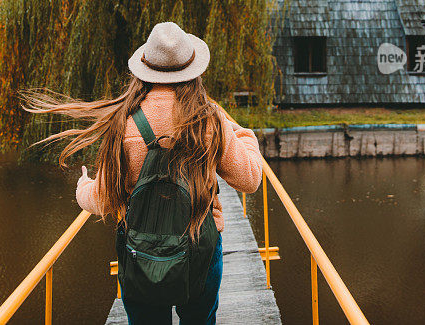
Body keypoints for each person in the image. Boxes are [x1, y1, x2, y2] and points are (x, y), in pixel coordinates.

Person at [22, 21, 263, 325]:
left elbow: (103, 199)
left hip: (140, 254)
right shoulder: (209, 119)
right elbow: (250, 179)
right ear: (193, 71)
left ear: (144, 69)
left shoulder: (122, 122)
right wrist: (244, 136)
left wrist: (83, 186)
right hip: (199, 246)